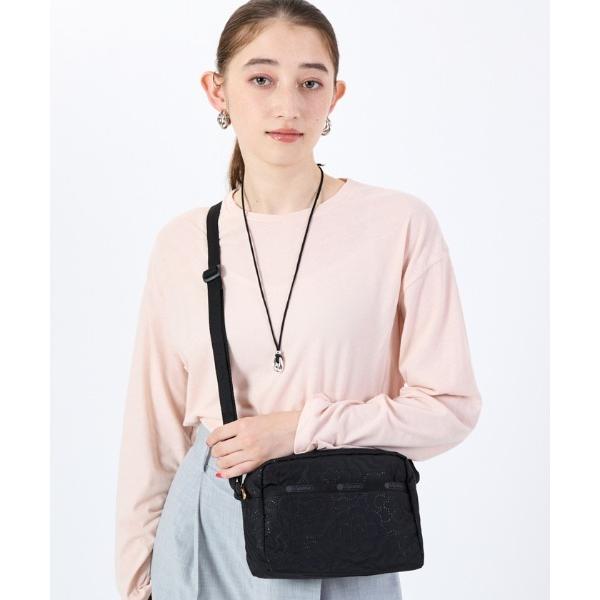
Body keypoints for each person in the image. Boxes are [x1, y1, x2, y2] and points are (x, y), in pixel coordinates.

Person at [114, 1, 483, 599]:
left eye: (310, 82)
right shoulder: (182, 243)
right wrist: (137, 583)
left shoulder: (398, 224)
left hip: (345, 522)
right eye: (261, 79)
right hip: (210, 529)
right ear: (217, 90)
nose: (287, 106)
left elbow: (449, 409)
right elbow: (152, 433)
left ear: (335, 95)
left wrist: (300, 430)